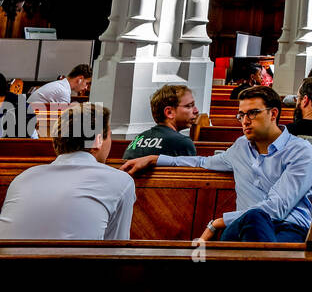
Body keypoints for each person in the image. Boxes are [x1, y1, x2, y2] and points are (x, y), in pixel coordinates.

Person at [122, 86, 312, 243]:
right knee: (248, 224)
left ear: (273, 113)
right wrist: (156, 158)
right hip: (241, 228)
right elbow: (202, 162)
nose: (245, 121)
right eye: (241, 115)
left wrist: (219, 222)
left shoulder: (300, 150)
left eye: (252, 113)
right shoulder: (240, 147)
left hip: (288, 228)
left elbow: (277, 207)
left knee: (255, 218)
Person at [0, 103, 135, 241]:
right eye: (109, 136)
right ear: (97, 141)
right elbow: (117, 247)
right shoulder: (121, 181)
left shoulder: (23, 178)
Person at [122, 85, 199, 160]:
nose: (196, 111)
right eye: (189, 106)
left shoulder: (138, 139)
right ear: (169, 112)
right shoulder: (183, 143)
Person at [26, 63, 92, 107]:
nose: (86, 88)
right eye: (87, 83)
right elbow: (64, 120)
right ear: (80, 79)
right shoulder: (63, 91)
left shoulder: (60, 85)